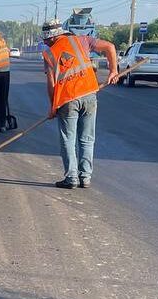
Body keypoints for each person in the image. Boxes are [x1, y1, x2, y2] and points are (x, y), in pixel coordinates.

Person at [41, 19, 118, 189]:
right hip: (90, 94)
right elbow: (110, 47)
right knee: (87, 139)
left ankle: (72, 178)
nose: (45, 43)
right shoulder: (82, 40)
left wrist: (52, 107)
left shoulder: (49, 54)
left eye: (46, 39)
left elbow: (51, 83)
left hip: (67, 100)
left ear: (52, 38)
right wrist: (114, 71)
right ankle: (85, 177)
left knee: (68, 139)